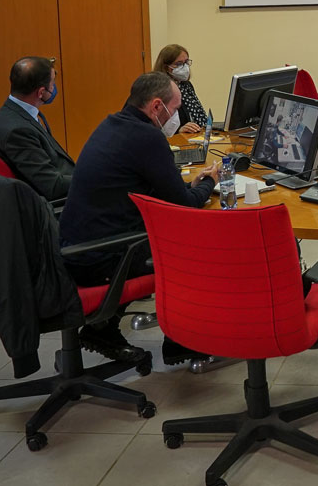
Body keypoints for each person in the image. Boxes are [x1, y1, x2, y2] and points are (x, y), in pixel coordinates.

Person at [59, 72, 218, 363]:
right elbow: (185, 206)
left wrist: (189, 186)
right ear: (157, 106)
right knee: (193, 247)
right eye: (175, 107)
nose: (177, 115)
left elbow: (154, 187)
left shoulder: (113, 124)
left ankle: (102, 327)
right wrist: (210, 182)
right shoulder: (147, 137)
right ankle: (182, 342)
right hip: (102, 256)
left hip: (78, 246)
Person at [0, 56, 74, 202]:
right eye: (52, 84)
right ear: (41, 93)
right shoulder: (17, 131)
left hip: (58, 178)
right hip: (49, 205)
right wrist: (90, 178)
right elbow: (52, 186)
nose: (54, 88)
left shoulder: (17, 112)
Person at [154, 44, 205, 134]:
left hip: (193, 135)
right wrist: (178, 130)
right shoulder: (159, 89)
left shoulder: (186, 85)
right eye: (179, 64)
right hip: (172, 139)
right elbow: (156, 124)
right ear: (166, 67)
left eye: (186, 62)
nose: (185, 67)